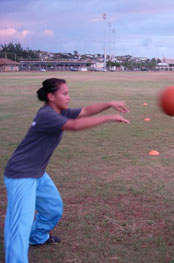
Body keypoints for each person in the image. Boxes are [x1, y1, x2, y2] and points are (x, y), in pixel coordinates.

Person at [3, 78, 129, 263]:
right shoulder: (47, 115)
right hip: (21, 175)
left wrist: (110, 104)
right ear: (51, 96)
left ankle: (37, 237)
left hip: (37, 173)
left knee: (53, 208)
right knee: (19, 225)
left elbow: (85, 111)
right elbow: (74, 126)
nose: (68, 97)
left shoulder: (60, 112)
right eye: (64, 93)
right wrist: (109, 117)